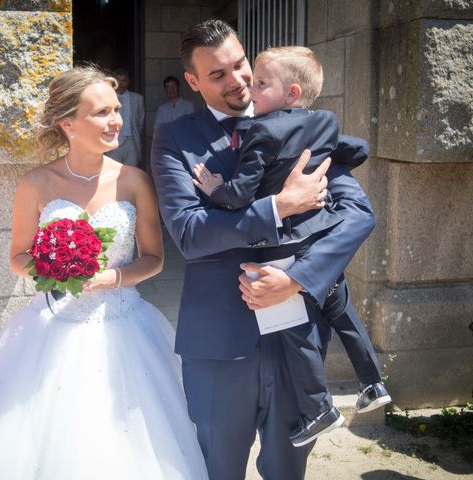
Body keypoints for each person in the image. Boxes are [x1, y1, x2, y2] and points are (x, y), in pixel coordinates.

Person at [0, 66, 208, 480]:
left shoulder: (135, 182)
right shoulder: (36, 183)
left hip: (125, 325)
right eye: (101, 112)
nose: (116, 120)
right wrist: (57, 270)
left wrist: (111, 278)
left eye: (116, 110)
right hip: (52, 324)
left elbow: (154, 258)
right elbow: (18, 257)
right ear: (68, 124)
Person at [151, 20, 376, 480]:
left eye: (239, 65)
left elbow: (357, 214)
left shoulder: (303, 122)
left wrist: (296, 280)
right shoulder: (175, 139)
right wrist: (279, 206)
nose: (237, 80)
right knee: (217, 468)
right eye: (217, 75)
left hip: (300, 340)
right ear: (192, 82)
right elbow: (191, 234)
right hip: (219, 344)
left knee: (288, 470)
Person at [191, 45, 390, 447]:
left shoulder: (263, 130)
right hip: (321, 240)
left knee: (289, 329)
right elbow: (356, 149)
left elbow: (242, 192)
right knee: (345, 316)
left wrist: (215, 191)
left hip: (284, 250)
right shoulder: (326, 122)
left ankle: (319, 407)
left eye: (260, 82)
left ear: (292, 93)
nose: (249, 86)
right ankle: (373, 385)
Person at [106, 67, 144, 167]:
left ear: (128, 81)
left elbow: (140, 121)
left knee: (132, 170)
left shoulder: (137, 99)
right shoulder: (107, 98)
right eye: (119, 81)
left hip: (131, 141)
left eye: (124, 81)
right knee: (112, 170)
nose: (121, 84)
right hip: (113, 140)